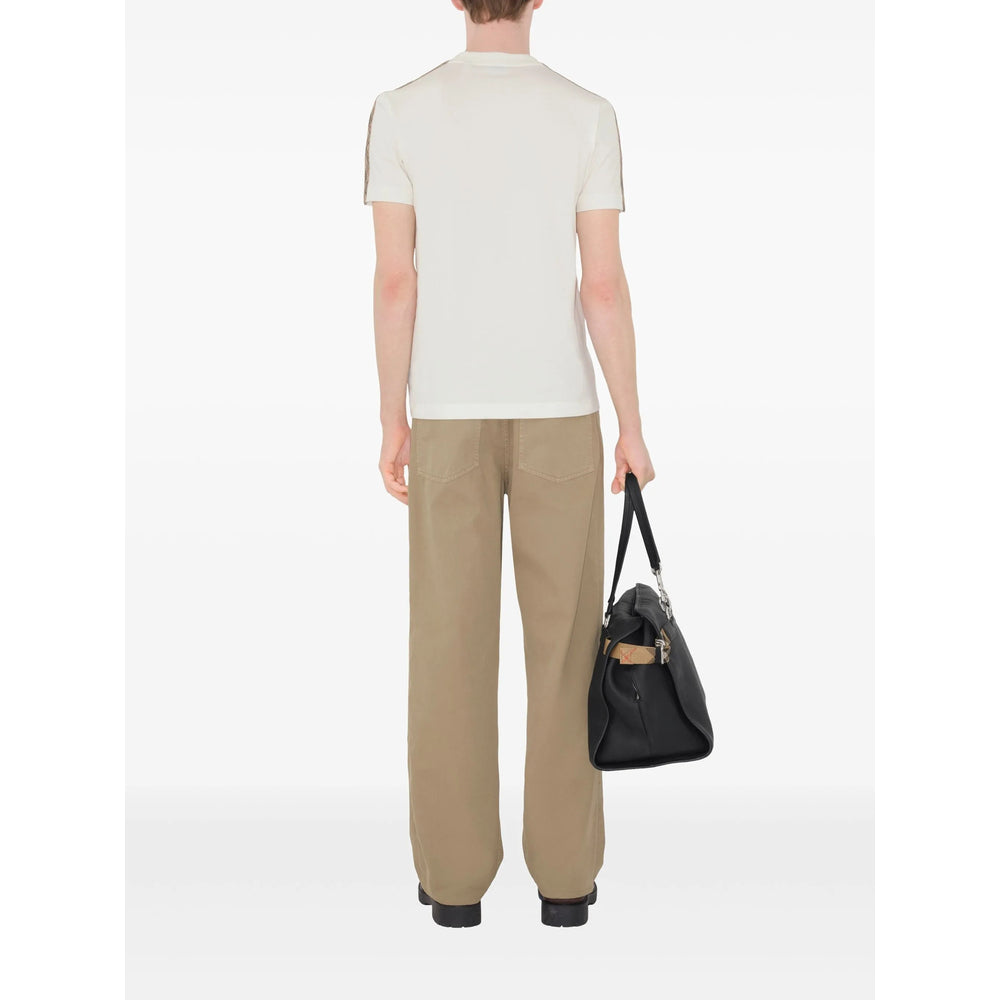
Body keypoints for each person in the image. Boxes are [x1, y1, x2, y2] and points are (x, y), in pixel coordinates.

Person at [364, 0, 654, 928]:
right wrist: (631, 425)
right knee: (566, 652)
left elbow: (396, 281)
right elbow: (601, 284)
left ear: (455, 0)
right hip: (562, 414)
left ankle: (453, 885)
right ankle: (566, 880)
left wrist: (392, 417)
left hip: (447, 416)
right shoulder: (587, 114)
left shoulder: (400, 112)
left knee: (448, 650)